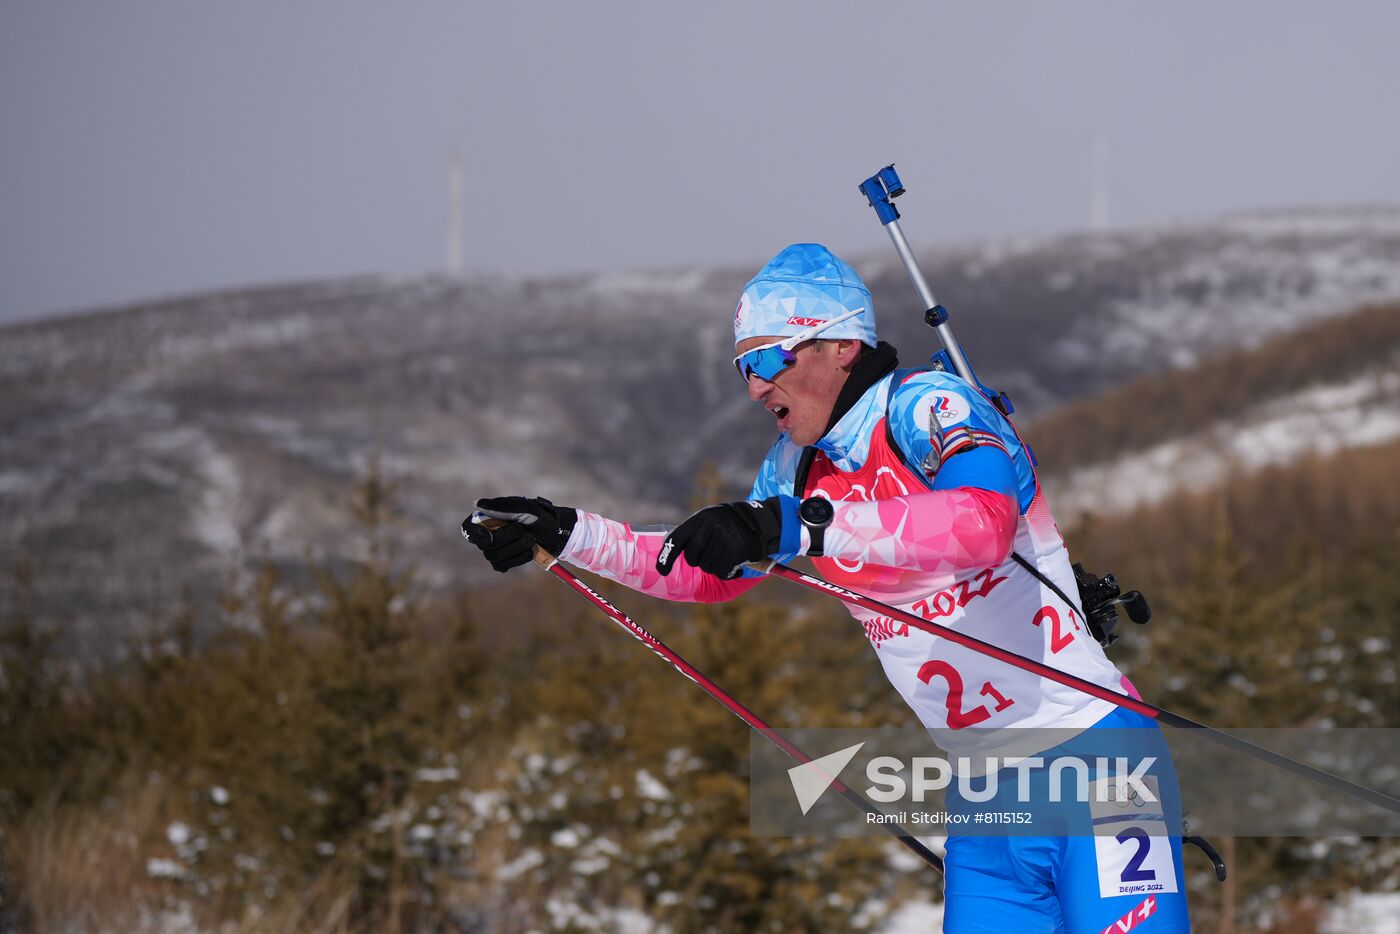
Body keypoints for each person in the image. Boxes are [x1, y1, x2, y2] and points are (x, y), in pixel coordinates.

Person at [463, 243, 1189, 932]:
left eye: (769, 359)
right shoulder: (794, 468)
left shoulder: (929, 408)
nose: (755, 387)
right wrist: (566, 532)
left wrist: (803, 528)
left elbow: (983, 522)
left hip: (1096, 761)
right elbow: (702, 571)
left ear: (840, 345)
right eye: (742, 367)